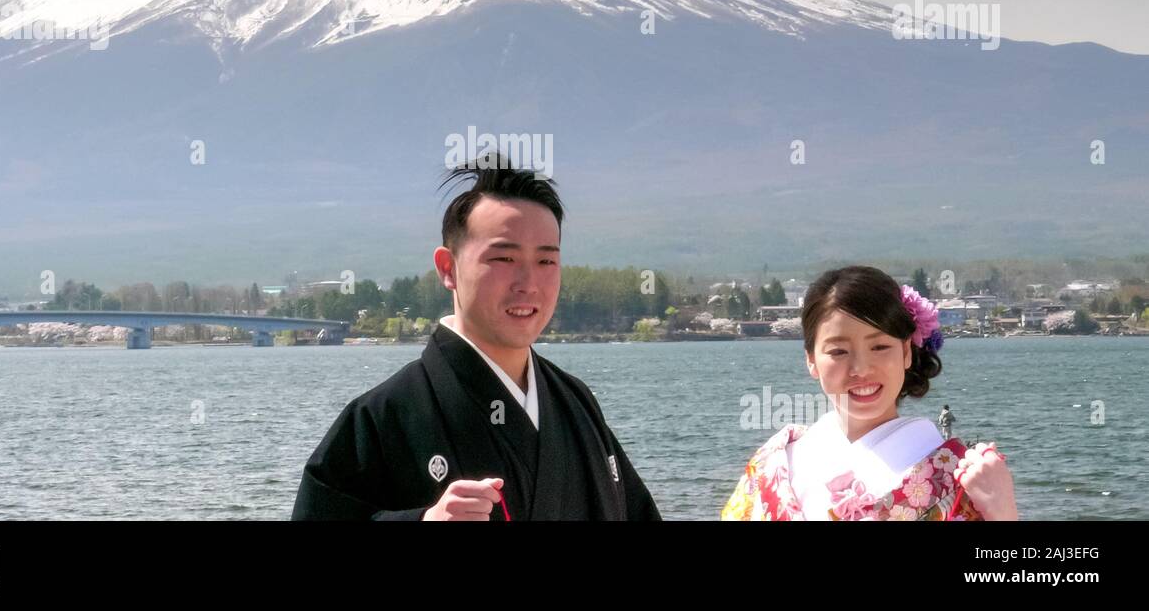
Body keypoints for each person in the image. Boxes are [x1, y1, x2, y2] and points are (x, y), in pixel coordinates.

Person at [292, 160, 660, 520]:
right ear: (448, 268)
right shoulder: (384, 415)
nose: (528, 284)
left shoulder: (575, 402)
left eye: (546, 262)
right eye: (503, 258)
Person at [721, 265, 1017, 521]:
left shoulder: (957, 478)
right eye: (838, 351)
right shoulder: (772, 463)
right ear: (811, 360)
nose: (861, 369)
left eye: (879, 347)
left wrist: (1003, 514)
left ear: (905, 352)